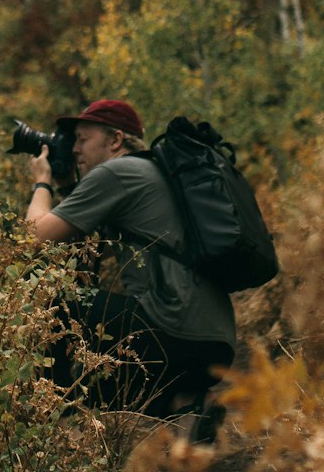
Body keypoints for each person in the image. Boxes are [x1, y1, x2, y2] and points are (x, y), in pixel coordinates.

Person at [25, 98, 236, 416]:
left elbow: (35, 238)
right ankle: (192, 404)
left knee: (53, 307)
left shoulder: (118, 172)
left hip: (173, 331)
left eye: (83, 139)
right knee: (92, 377)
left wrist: (42, 181)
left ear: (115, 140)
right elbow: (82, 258)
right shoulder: (152, 172)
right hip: (215, 346)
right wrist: (69, 184)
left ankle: (44, 412)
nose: (75, 150)